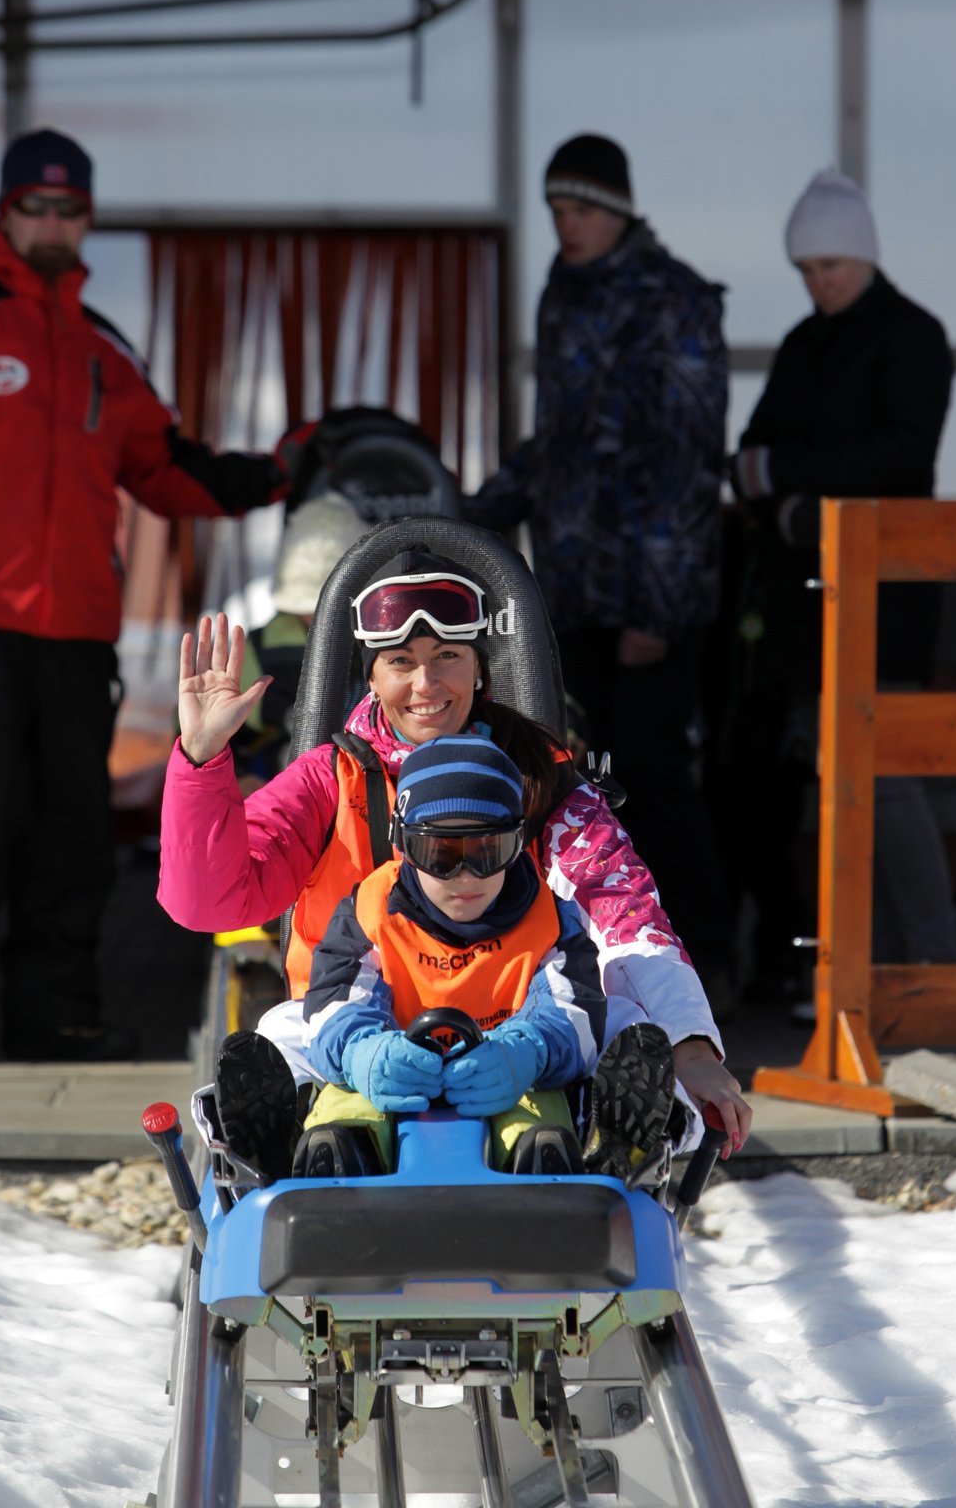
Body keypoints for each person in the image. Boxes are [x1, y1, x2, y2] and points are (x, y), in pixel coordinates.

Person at [158, 544, 751, 1152]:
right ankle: (268, 1140)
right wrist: (202, 761)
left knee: (618, 1023)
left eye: (447, 656)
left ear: (478, 666)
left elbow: (625, 917)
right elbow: (211, 905)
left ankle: (623, 1135)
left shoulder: (539, 783)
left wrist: (691, 1048)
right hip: (350, 1024)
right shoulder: (328, 781)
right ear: (371, 674)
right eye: (400, 661)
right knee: (281, 1033)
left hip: (517, 1030)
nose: (425, 684)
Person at [0, 127, 305, 1063]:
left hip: (77, 637)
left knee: (71, 835)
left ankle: (52, 1023)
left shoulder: (107, 349)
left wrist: (275, 475)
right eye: (37, 205)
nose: (54, 221)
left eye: (70, 208)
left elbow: (167, 468)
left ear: (86, 217)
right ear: (6, 211)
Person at [461, 132, 735, 1010]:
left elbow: (690, 458)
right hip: (569, 588)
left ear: (616, 211)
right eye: (553, 209)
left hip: (651, 602)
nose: (563, 225)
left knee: (655, 777)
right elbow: (557, 445)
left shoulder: (676, 300)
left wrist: (654, 609)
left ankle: (705, 967)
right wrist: (464, 520)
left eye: (578, 209)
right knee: (575, 780)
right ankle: (601, 969)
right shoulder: (563, 294)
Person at [719, 168, 956, 1000]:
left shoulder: (910, 339)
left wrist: (785, 486)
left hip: (880, 601)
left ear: (863, 258)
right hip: (809, 606)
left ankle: (927, 969)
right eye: (807, 270)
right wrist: (783, 493)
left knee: (882, 785)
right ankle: (878, 980)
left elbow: (898, 457)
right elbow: (756, 452)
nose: (819, 282)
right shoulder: (806, 343)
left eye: (832, 266)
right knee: (844, 793)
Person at [215, 735, 657, 1181]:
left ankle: (557, 1162)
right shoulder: (371, 911)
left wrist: (529, 1051)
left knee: (545, 1103)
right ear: (404, 846)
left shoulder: (548, 920)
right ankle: (325, 1155)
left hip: (505, 1075)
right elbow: (334, 998)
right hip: (393, 1069)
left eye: (488, 851)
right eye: (440, 854)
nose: (465, 876)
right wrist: (363, 1053)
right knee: (341, 1088)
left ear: (519, 843)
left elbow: (575, 1008)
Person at [231, 490, 366, 789]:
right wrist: (239, 778)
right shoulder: (260, 654)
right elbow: (210, 740)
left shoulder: (386, 643)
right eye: (307, 608)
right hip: (284, 793)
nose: (318, 618)